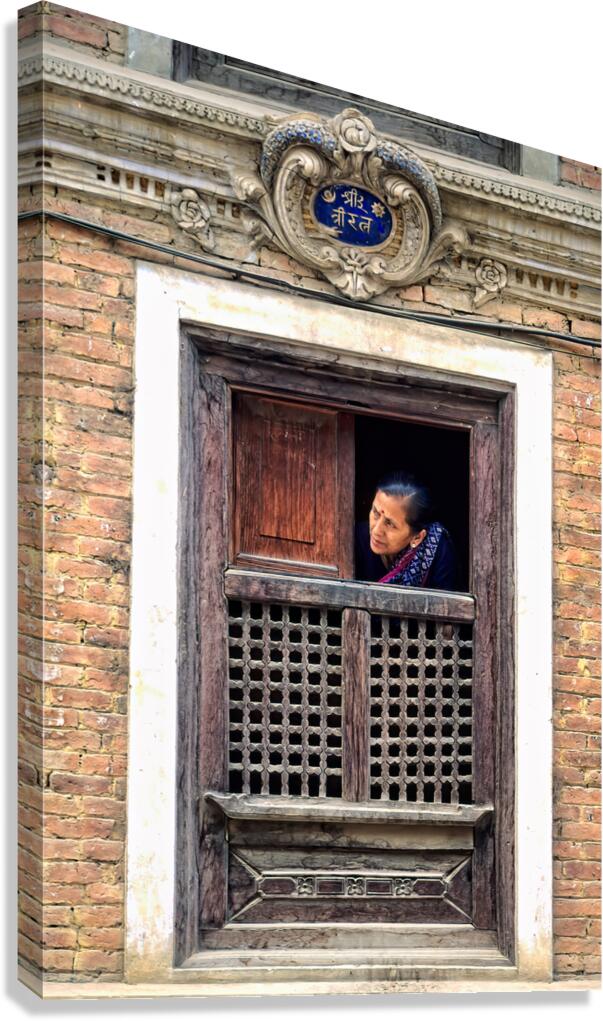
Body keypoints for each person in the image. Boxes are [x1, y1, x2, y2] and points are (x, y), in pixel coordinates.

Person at [355, 471, 459, 591]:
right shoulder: (356, 538)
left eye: (390, 524)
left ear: (417, 538)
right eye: (376, 513)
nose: (376, 530)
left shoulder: (437, 551)